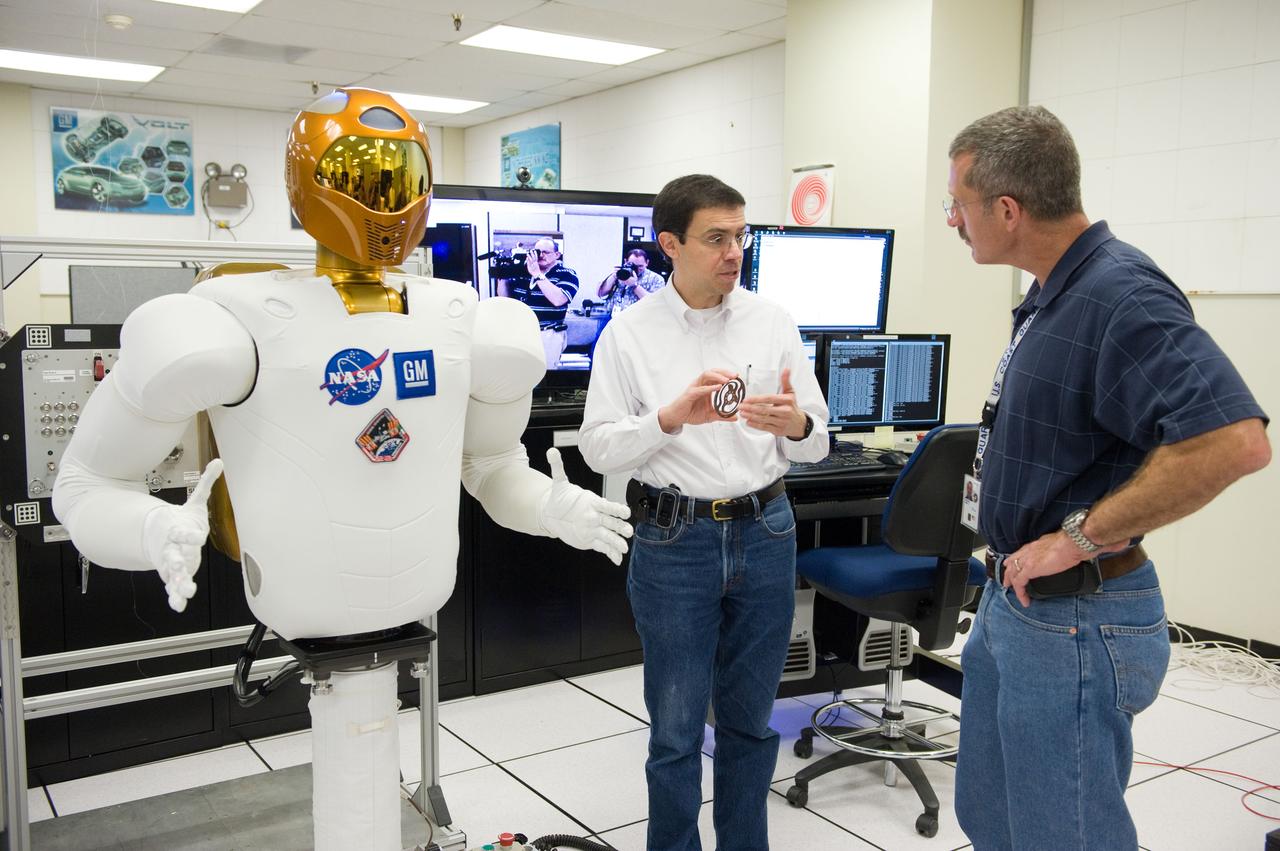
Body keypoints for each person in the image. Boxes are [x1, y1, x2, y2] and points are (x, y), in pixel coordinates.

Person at [52, 87, 632, 851]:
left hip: (415, 597)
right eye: (364, 177)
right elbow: (85, 486)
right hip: (307, 599)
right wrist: (152, 527)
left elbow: (491, 466)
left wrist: (553, 508)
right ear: (311, 184)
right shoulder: (224, 323)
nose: (384, 202)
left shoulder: (472, 322)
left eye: (399, 179)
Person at [945, 105, 1270, 850]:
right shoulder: (1055, 290)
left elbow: (1235, 441)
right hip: (1015, 603)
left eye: (956, 206)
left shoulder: (1119, 293)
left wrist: (1077, 538)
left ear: (1005, 208)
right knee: (992, 817)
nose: (953, 223)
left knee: (1066, 835)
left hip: (1074, 617)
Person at [579, 174, 829, 851]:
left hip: (766, 528)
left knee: (751, 723)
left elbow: (819, 440)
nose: (733, 251)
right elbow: (598, 442)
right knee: (677, 730)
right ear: (670, 244)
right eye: (716, 237)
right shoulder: (628, 334)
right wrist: (668, 418)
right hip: (674, 536)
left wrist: (798, 422)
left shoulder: (771, 321)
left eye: (740, 235)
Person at [495, 236, 579, 367]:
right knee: (520, 375)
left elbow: (558, 300)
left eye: (545, 252)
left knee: (543, 375)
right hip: (521, 333)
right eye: (537, 251)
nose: (540, 255)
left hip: (548, 334)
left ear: (557, 255)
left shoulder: (567, 274)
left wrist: (537, 274)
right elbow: (506, 299)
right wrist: (503, 276)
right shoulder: (524, 273)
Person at [597, 247, 666, 315]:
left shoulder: (656, 279)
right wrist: (613, 277)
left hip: (639, 320)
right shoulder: (620, 273)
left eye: (640, 266)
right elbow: (601, 293)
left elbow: (654, 302)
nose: (636, 269)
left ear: (647, 263)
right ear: (625, 261)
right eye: (632, 265)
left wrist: (634, 285)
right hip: (613, 317)